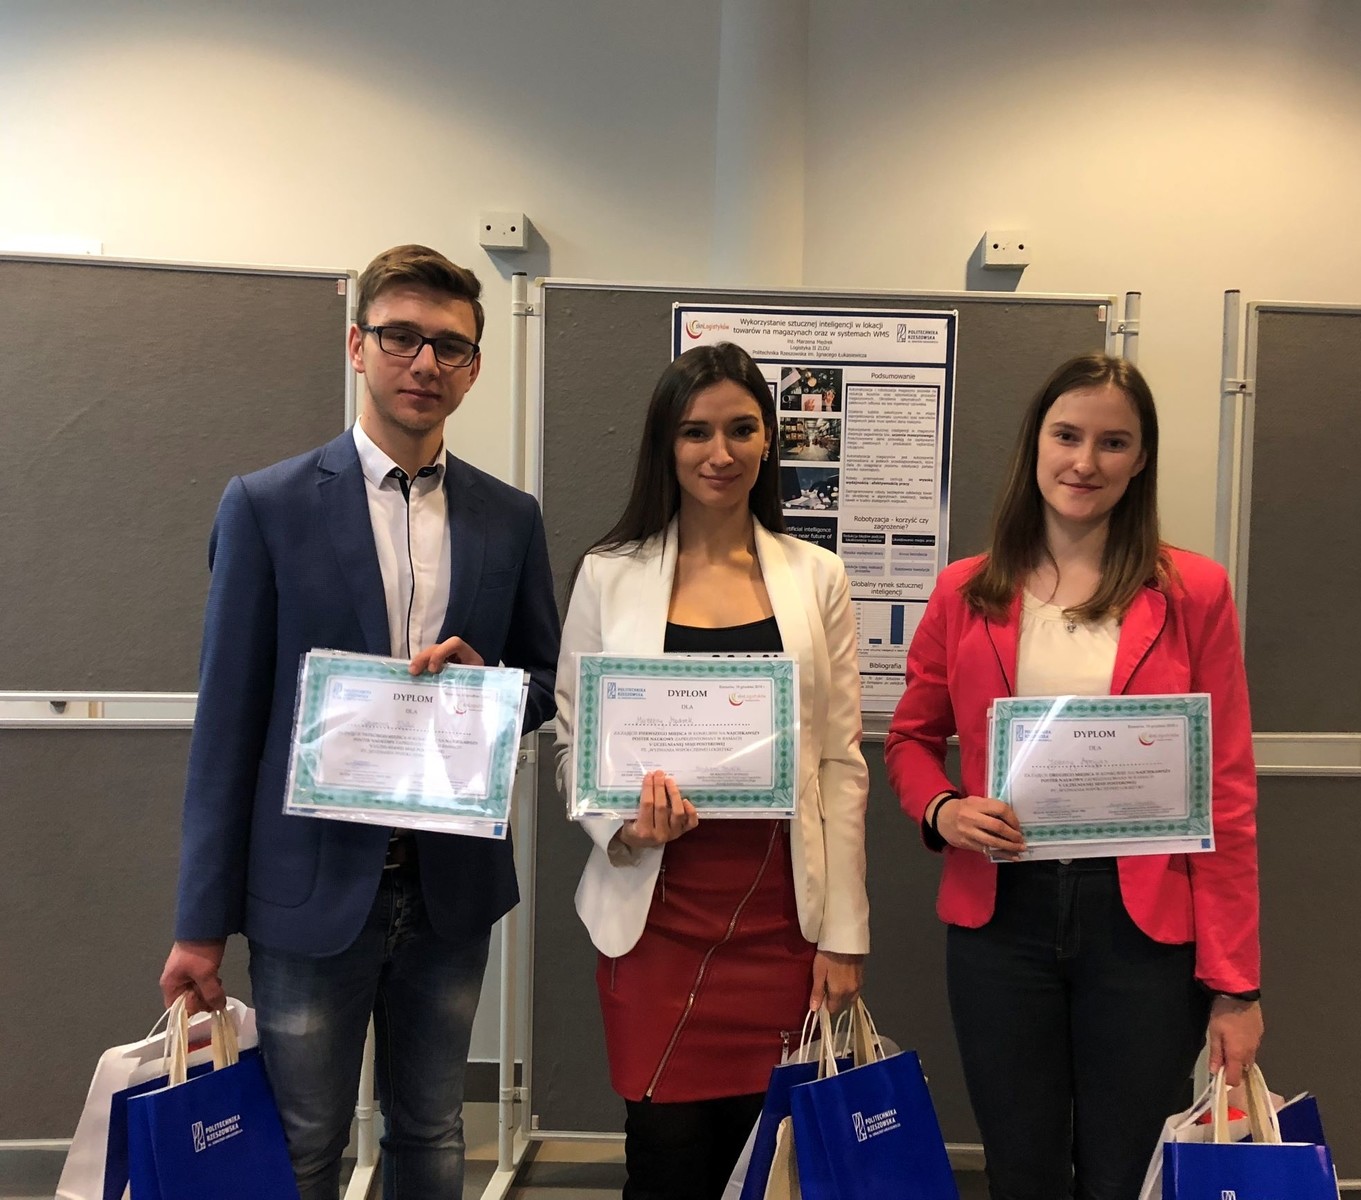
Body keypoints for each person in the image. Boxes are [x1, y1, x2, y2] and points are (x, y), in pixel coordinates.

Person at [159, 244, 561, 1199]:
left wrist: (492, 686)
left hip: (448, 890)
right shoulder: (266, 506)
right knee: (304, 1144)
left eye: (450, 347)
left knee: (432, 1134)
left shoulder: (509, 518)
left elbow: (544, 682)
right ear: (356, 346)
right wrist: (199, 926)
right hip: (307, 889)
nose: (424, 363)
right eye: (400, 337)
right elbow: (226, 728)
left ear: (473, 368)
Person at [884, 354, 1262, 1200]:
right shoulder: (964, 591)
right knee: (1019, 1167)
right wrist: (941, 809)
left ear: (1140, 458)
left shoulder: (1193, 591)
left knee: (1123, 1171)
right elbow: (910, 740)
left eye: (1112, 442)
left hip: (1142, 928)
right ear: (1036, 444)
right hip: (1000, 919)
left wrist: (1236, 985)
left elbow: (1227, 791)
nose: (1084, 462)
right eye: (1067, 436)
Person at [554, 342, 870, 1200]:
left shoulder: (817, 576)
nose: (719, 453)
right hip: (654, 918)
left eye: (741, 429)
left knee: (771, 1165)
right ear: (666, 443)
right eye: (695, 432)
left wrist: (845, 932)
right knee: (665, 1159)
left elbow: (840, 763)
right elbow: (573, 744)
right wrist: (622, 823)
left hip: (783, 919)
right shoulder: (609, 574)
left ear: (769, 441)